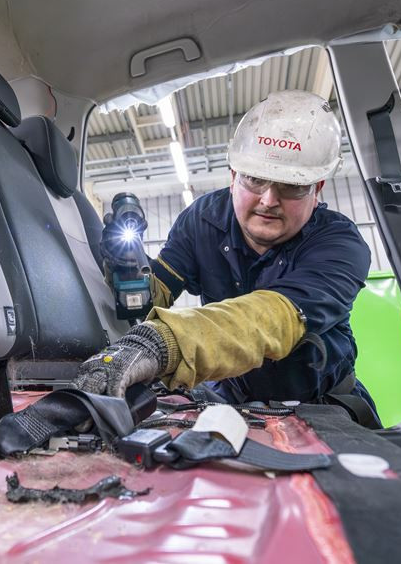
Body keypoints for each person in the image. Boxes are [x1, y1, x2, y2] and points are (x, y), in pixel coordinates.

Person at [73, 90, 380, 427]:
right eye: (255, 178)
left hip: (322, 406)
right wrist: (127, 268)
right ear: (234, 176)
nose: (268, 200)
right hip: (231, 405)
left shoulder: (339, 244)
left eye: (291, 186)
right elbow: (155, 293)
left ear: (316, 188)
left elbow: (273, 317)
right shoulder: (202, 219)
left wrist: (161, 342)